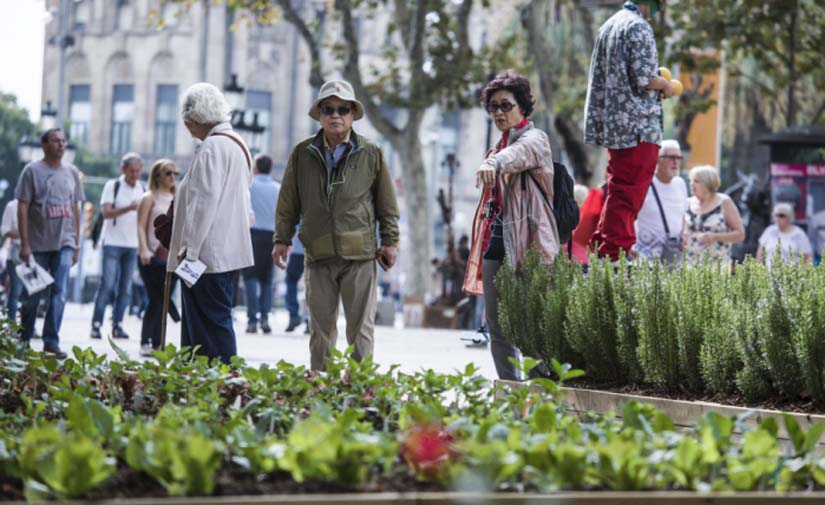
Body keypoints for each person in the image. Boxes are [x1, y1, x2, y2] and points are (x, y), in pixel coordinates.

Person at [273, 79, 400, 371]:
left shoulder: (371, 152)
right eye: (328, 108)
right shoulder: (302, 153)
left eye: (343, 109)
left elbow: (387, 204)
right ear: (319, 113)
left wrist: (390, 241)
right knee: (320, 332)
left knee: (361, 332)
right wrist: (282, 238)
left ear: (353, 114)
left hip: (360, 255)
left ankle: (359, 391)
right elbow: (288, 200)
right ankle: (321, 390)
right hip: (318, 254)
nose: (335, 115)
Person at [463, 70, 560, 381]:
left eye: (506, 105)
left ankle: (540, 392)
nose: (499, 113)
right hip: (497, 242)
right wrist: (493, 159)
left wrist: (494, 163)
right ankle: (510, 391)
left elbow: (519, 154)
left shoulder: (535, 139)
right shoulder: (496, 148)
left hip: (529, 245)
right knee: (496, 324)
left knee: (530, 322)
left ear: (523, 107)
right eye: (493, 107)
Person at [168, 82, 254, 364]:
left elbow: (203, 204)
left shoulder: (211, 148)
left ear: (194, 118)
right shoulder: (239, 144)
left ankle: (219, 381)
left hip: (205, 253)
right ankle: (209, 378)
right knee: (211, 320)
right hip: (225, 249)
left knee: (207, 325)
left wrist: (189, 250)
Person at [584, 0, 675, 262]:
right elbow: (645, 78)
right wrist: (666, 86)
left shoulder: (609, 25)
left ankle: (605, 246)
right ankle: (616, 252)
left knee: (616, 188)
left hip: (615, 124)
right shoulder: (639, 27)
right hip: (638, 125)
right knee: (629, 192)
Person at [14, 128, 85, 359]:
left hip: (64, 241)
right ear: (44, 145)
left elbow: (76, 208)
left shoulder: (72, 172)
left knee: (59, 292)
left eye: (63, 141)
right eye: (55, 141)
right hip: (36, 244)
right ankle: (23, 341)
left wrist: (76, 243)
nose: (61, 145)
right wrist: (25, 244)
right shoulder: (31, 171)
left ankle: (51, 341)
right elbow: (22, 207)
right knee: (32, 296)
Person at [89, 152, 145, 339]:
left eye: (137, 171)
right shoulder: (113, 186)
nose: (134, 175)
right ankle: (96, 324)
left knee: (126, 287)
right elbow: (106, 213)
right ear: (123, 169)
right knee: (107, 285)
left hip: (132, 244)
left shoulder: (142, 188)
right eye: (131, 171)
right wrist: (128, 208)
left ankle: (118, 324)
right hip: (112, 243)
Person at [136, 159, 179, 357]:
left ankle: (159, 343)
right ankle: (147, 342)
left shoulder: (178, 197)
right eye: (168, 173)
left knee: (164, 300)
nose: (172, 177)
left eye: (175, 173)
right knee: (156, 300)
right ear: (158, 175)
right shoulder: (149, 197)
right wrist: (143, 249)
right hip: (151, 257)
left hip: (172, 257)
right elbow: (140, 226)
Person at [634, 139, 688, 263]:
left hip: (672, 257)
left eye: (679, 158)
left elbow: (683, 215)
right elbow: (630, 216)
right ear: (657, 159)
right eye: (671, 157)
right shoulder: (643, 183)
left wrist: (684, 232)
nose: (676, 162)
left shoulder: (680, 184)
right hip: (645, 256)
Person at [243, 154, 280, 334]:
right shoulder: (277, 188)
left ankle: (252, 320)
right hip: (272, 236)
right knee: (267, 279)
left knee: (250, 277)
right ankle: (265, 318)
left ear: (256, 167)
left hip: (252, 235)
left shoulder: (249, 186)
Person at [684, 165, 745, 265]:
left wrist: (715, 237)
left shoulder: (724, 202)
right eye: (691, 180)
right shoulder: (687, 203)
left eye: (696, 181)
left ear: (707, 183)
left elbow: (740, 234)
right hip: (689, 266)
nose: (691, 184)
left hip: (717, 267)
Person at [756, 202, 813, 267]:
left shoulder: (799, 234)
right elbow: (760, 254)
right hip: (767, 273)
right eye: (776, 215)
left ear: (790, 217)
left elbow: (808, 257)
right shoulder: (769, 231)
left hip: (790, 274)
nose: (778, 218)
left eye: (781, 215)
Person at [1, 199, 23, 321]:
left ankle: (26, 326)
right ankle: (11, 324)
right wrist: (24, 234)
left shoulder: (39, 204)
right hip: (15, 254)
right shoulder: (12, 206)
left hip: (35, 255)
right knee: (15, 291)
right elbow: (5, 230)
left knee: (32, 294)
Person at [283, 231, 306, 333]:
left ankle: (293, 315)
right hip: (316, 250)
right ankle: (310, 320)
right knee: (314, 285)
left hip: (298, 250)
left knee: (291, 281)